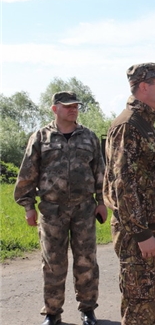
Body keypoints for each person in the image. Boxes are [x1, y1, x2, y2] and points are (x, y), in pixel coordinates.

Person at [14, 91, 107, 325]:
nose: (73, 109)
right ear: (55, 109)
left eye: (75, 106)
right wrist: (28, 206)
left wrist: (102, 202)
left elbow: (100, 172)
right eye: (67, 106)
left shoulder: (89, 137)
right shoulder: (41, 137)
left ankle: (88, 309)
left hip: (84, 209)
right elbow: (27, 174)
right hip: (51, 210)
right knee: (53, 263)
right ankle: (53, 312)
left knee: (86, 261)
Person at [102, 62, 155, 325]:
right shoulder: (129, 125)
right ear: (144, 87)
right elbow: (122, 185)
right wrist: (141, 233)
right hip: (142, 236)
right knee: (140, 308)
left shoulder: (144, 123)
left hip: (153, 231)